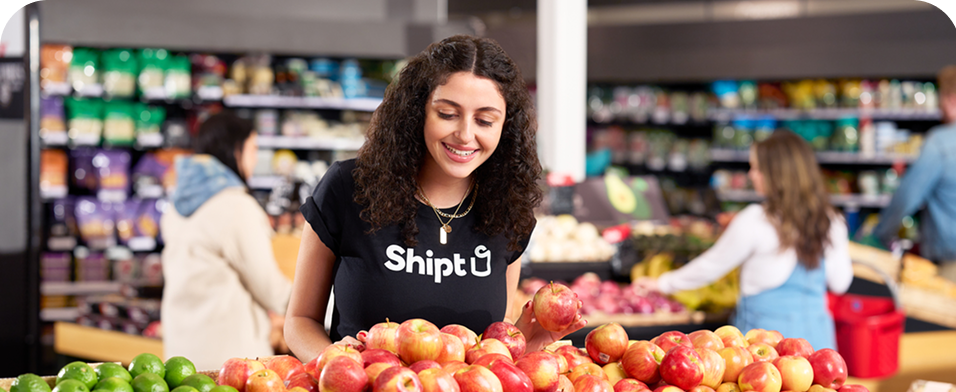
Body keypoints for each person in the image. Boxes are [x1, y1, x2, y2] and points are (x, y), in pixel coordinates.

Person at [284, 35, 585, 362]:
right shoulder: (349, 187)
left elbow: (482, 359)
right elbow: (300, 321)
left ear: (505, 127)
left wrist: (525, 342)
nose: (466, 135)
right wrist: (338, 365)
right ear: (418, 110)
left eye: (485, 120)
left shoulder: (507, 211)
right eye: (447, 114)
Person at [640, 129, 853, 350]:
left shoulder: (756, 220)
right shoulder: (832, 221)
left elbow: (711, 266)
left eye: (757, 168)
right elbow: (840, 283)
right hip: (817, 347)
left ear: (777, 174)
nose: (752, 175)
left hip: (765, 354)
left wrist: (662, 283)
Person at [161, 112, 292, 371]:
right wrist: (315, 309)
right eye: (253, 149)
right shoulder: (236, 206)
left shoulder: (176, 205)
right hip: (231, 362)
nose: (255, 160)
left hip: (180, 356)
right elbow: (270, 288)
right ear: (235, 150)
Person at [874, 65, 956, 285]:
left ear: (951, 100)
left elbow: (907, 197)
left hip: (953, 266)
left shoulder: (940, 143)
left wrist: (881, 236)